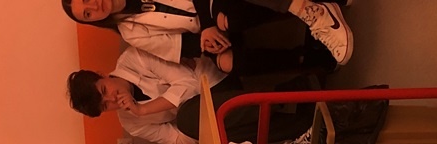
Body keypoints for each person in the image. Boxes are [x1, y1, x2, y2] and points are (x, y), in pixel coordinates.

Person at [67, 45, 316, 144]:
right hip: (210, 116)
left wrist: (144, 109)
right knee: (212, 133)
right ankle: (300, 112)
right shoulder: (130, 123)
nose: (112, 99)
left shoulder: (133, 59)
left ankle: (296, 106)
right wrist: (207, 136)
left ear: (103, 76)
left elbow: (187, 82)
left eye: (104, 90)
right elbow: (177, 140)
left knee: (188, 118)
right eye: (106, 105)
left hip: (213, 81)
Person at [60, 0, 343, 75]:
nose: (93, 6)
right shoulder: (130, 32)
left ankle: (308, 9)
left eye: (87, 0)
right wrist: (208, 43)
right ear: (93, 21)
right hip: (207, 27)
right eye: (87, 14)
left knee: (226, 19)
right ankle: (308, 59)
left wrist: (209, 25)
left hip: (212, 7)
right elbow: (181, 46)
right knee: (227, 62)